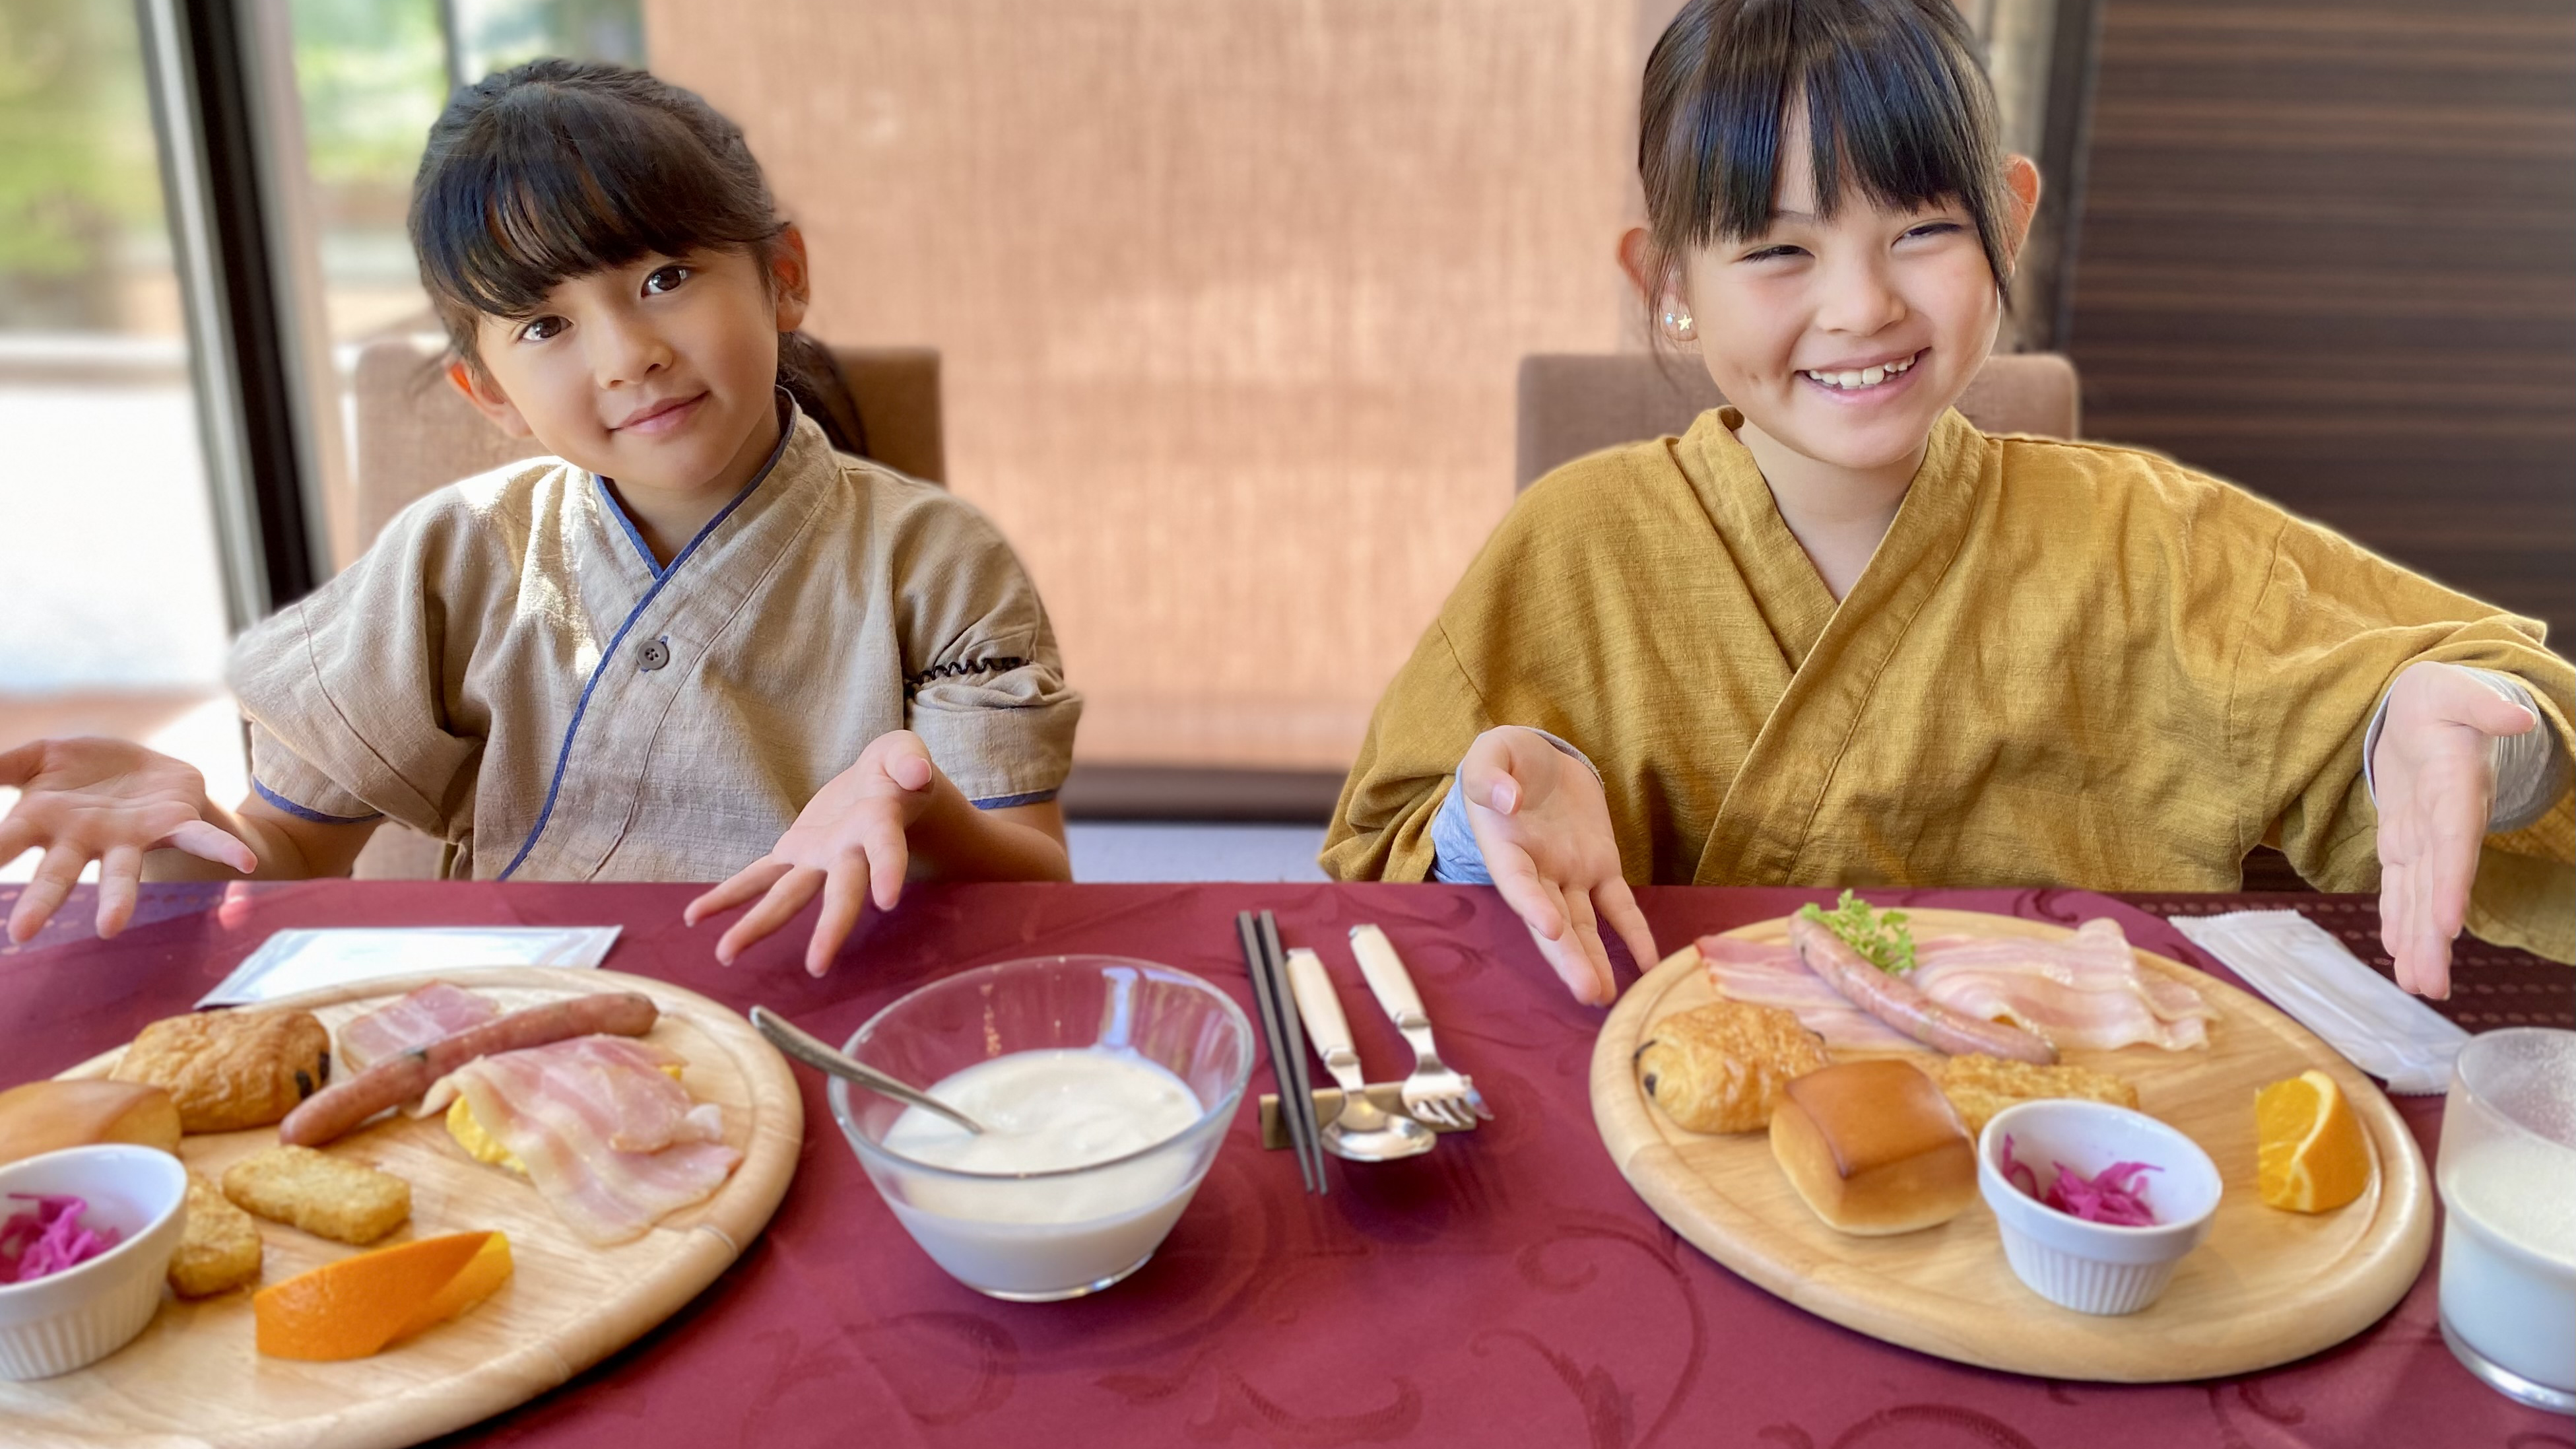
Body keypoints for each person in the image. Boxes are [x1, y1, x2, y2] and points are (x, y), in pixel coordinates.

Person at [1323, 0, 2571, 1005]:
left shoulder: (2155, 543)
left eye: (1921, 228)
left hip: (2067, 1156)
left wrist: (2455, 737)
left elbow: (2447, 706)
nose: (1861, 305)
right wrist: (1494, 819)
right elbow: (1381, 865)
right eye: (1775, 248)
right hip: (1679, 1135)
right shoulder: (1573, 543)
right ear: (1669, 285)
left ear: (2009, 224)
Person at [0, 60, 1079, 975]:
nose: (627, 355)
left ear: (783, 279)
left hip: (842, 1016)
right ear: (490, 396)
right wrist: (185, 834)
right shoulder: (452, 557)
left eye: (665, 276)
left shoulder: (939, 565)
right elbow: (282, 859)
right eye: (544, 323)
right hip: (523, 1047)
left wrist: (920, 809)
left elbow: (1036, 882)